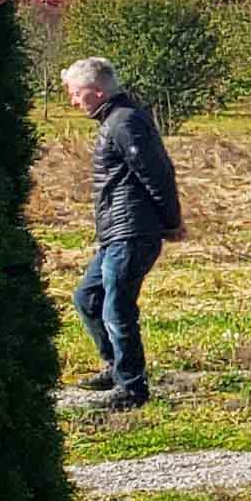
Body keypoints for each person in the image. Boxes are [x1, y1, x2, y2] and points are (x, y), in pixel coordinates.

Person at [62, 56, 182, 410]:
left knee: (117, 307)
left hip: (132, 230)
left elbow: (157, 173)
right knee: (88, 298)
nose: (72, 101)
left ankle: (131, 387)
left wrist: (171, 221)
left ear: (96, 91)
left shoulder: (125, 122)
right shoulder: (115, 120)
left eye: (76, 93)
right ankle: (116, 366)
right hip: (117, 232)